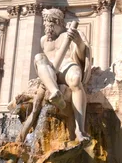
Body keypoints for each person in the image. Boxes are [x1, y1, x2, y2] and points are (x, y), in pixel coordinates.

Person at [34, 8, 91, 143]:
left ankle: (80, 129)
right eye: (46, 26)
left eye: (51, 26)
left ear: (59, 22)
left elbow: (83, 54)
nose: (48, 29)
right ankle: (55, 93)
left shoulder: (72, 33)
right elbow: (44, 61)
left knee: (76, 80)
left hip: (67, 65)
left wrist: (78, 42)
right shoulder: (43, 40)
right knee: (38, 57)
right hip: (49, 71)